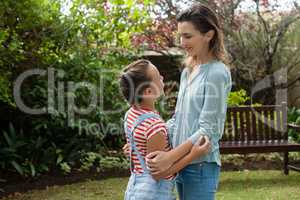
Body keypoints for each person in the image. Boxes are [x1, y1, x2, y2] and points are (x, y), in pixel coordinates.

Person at [145, 3, 232, 200]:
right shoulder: (188, 71)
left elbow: (209, 130)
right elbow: (177, 120)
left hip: (200, 165)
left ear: (209, 35)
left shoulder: (217, 73)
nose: (182, 42)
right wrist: (145, 137)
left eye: (188, 36)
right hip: (181, 164)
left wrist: (170, 156)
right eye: (180, 36)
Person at [119, 59, 211, 200]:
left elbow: (138, 147)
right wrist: (193, 155)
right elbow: (158, 173)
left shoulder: (131, 114)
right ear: (149, 91)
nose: (162, 78)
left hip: (135, 190)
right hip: (154, 193)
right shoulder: (155, 127)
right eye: (158, 77)